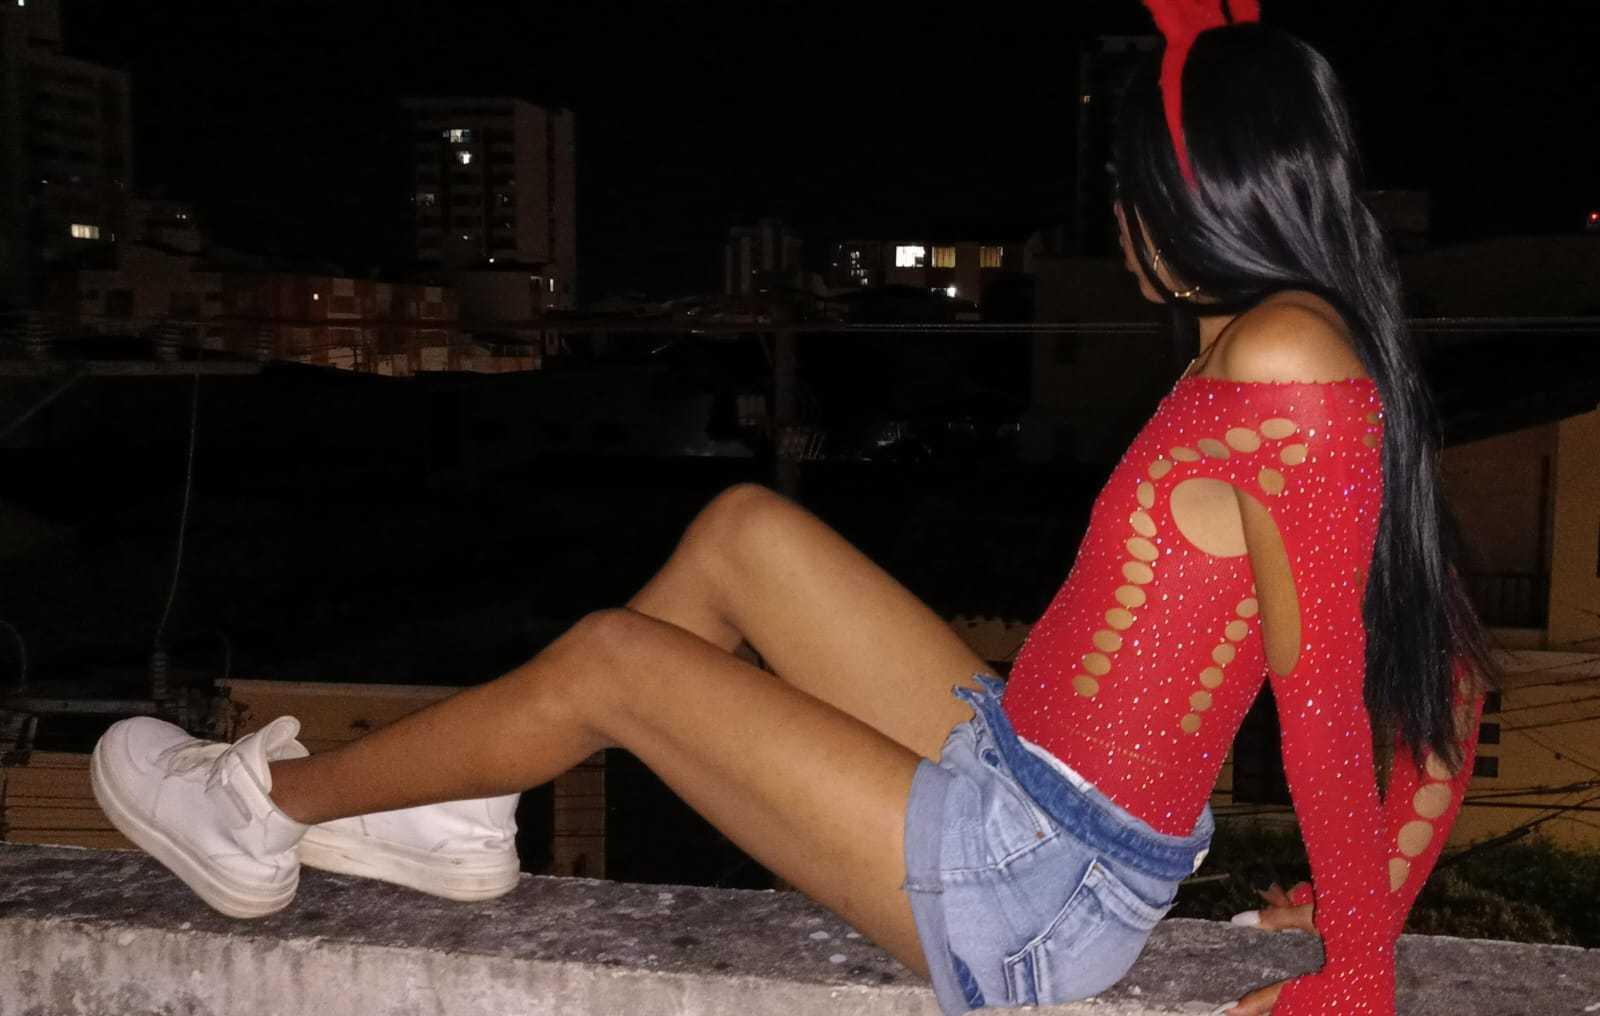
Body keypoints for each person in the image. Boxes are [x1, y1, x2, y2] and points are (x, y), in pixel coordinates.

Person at [89, 10, 1495, 1016]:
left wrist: (1354, 974)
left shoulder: (1286, 357)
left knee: (612, 662)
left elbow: (1333, 694)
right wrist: (1354, 900)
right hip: (1020, 770)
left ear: (1193, 196)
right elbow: (1450, 674)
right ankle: (468, 810)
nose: (1117, 219)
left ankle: (260, 812)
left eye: (1130, 189)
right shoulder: (1276, 340)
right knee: (741, 536)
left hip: (1036, 885)